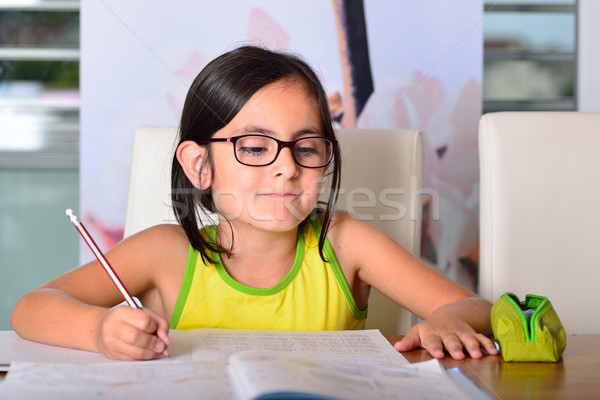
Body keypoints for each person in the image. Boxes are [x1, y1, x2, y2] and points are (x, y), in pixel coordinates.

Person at [11, 45, 498, 361]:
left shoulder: (345, 242)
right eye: (254, 147)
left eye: (306, 147)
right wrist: (99, 330)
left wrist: (449, 320)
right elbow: (32, 308)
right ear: (199, 165)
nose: (287, 167)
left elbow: (473, 306)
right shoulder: (164, 252)